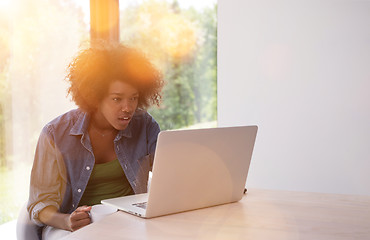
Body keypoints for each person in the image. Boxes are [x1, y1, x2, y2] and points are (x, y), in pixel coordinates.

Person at [27, 42, 163, 239]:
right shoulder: (55, 134)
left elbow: (169, 175)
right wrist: (66, 220)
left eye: (133, 98)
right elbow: (39, 204)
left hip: (129, 221)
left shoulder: (145, 125)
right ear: (95, 97)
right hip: (70, 226)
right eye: (117, 99)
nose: (128, 108)